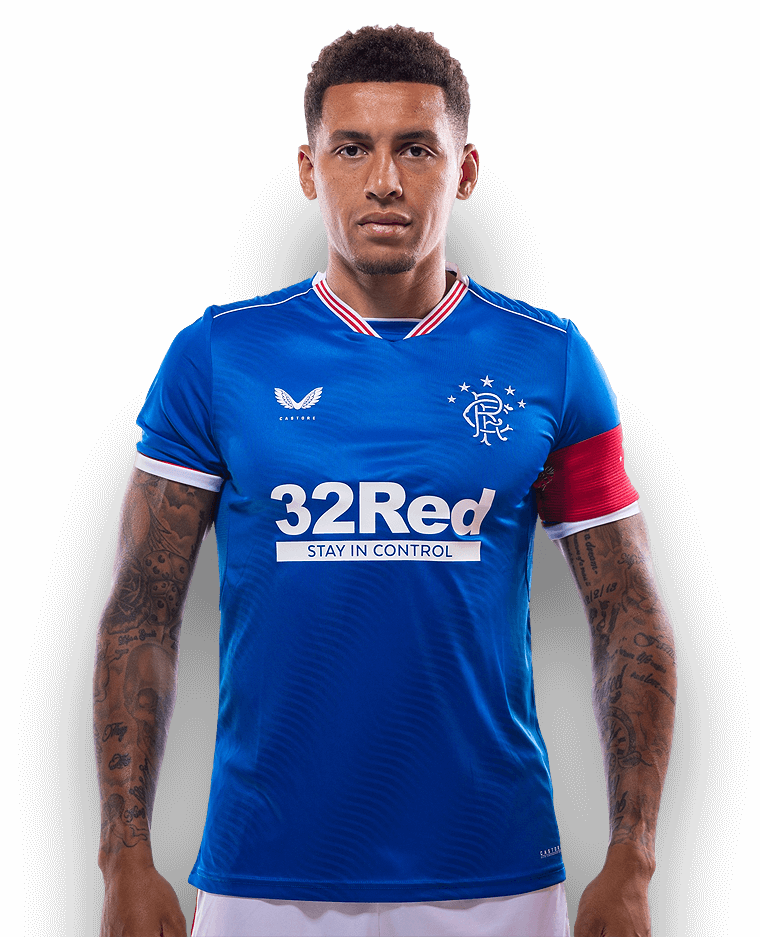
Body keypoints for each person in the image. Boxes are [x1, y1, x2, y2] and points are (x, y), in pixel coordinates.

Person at [94, 25, 677, 937]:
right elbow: (140, 608)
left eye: (416, 148)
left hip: (497, 877)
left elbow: (629, 615)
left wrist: (632, 857)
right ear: (307, 169)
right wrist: (124, 854)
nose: (384, 182)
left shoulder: (551, 360)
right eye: (351, 148)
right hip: (260, 877)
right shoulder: (216, 356)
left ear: (465, 170)